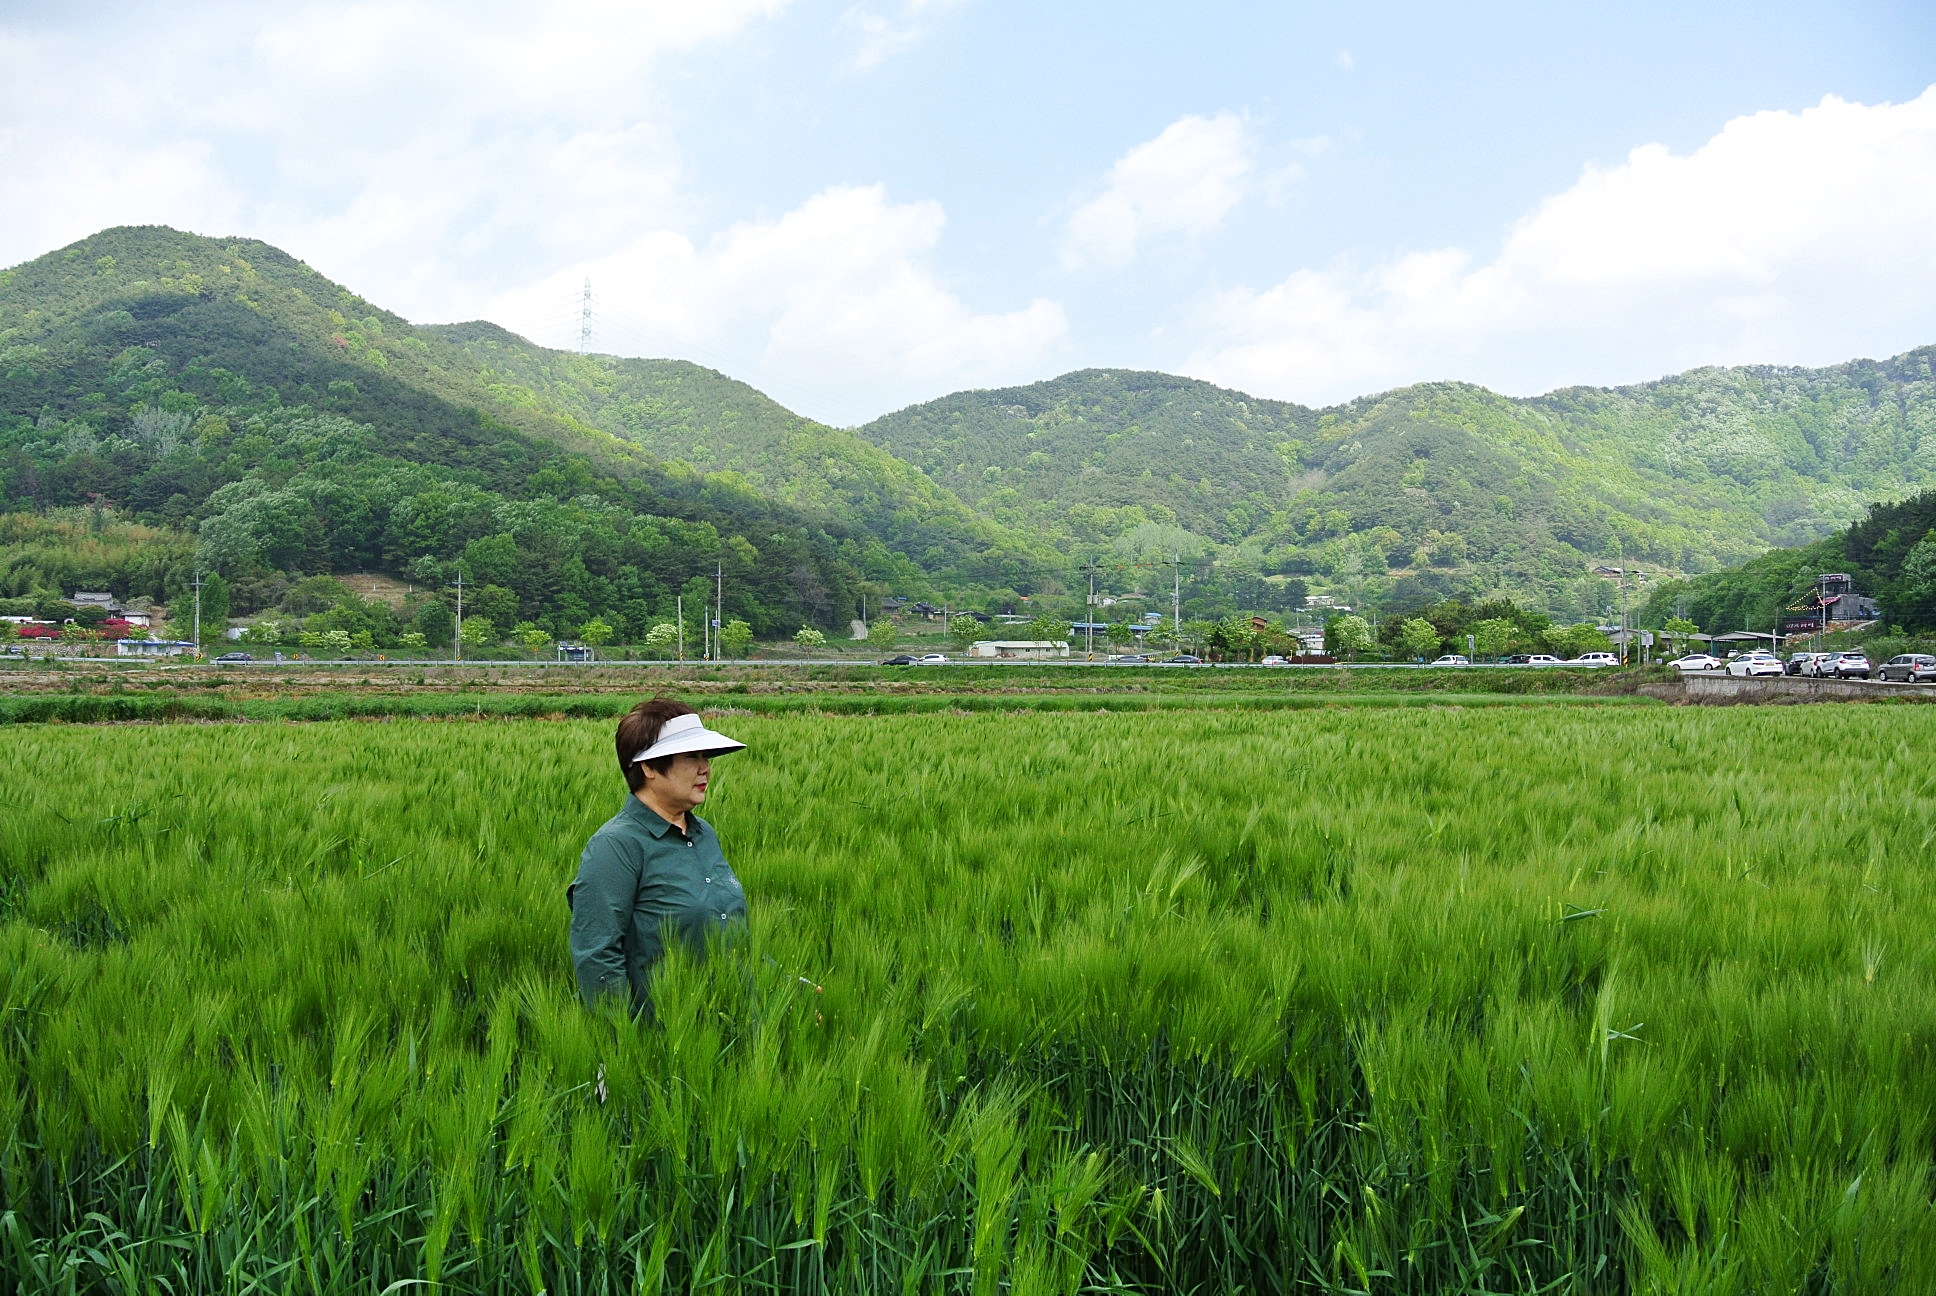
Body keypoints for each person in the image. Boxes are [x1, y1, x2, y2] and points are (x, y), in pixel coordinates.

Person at [568, 697, 748, 1015]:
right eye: (691, 756)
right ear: (649, 766)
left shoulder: (703, 834)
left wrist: (787, 986)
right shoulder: (615, 847)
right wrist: (625, 1036)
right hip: (665, 1031)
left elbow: (729, 933)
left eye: (705, 756)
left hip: (730, 1023)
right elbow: (598, 958)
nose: (705, 768)